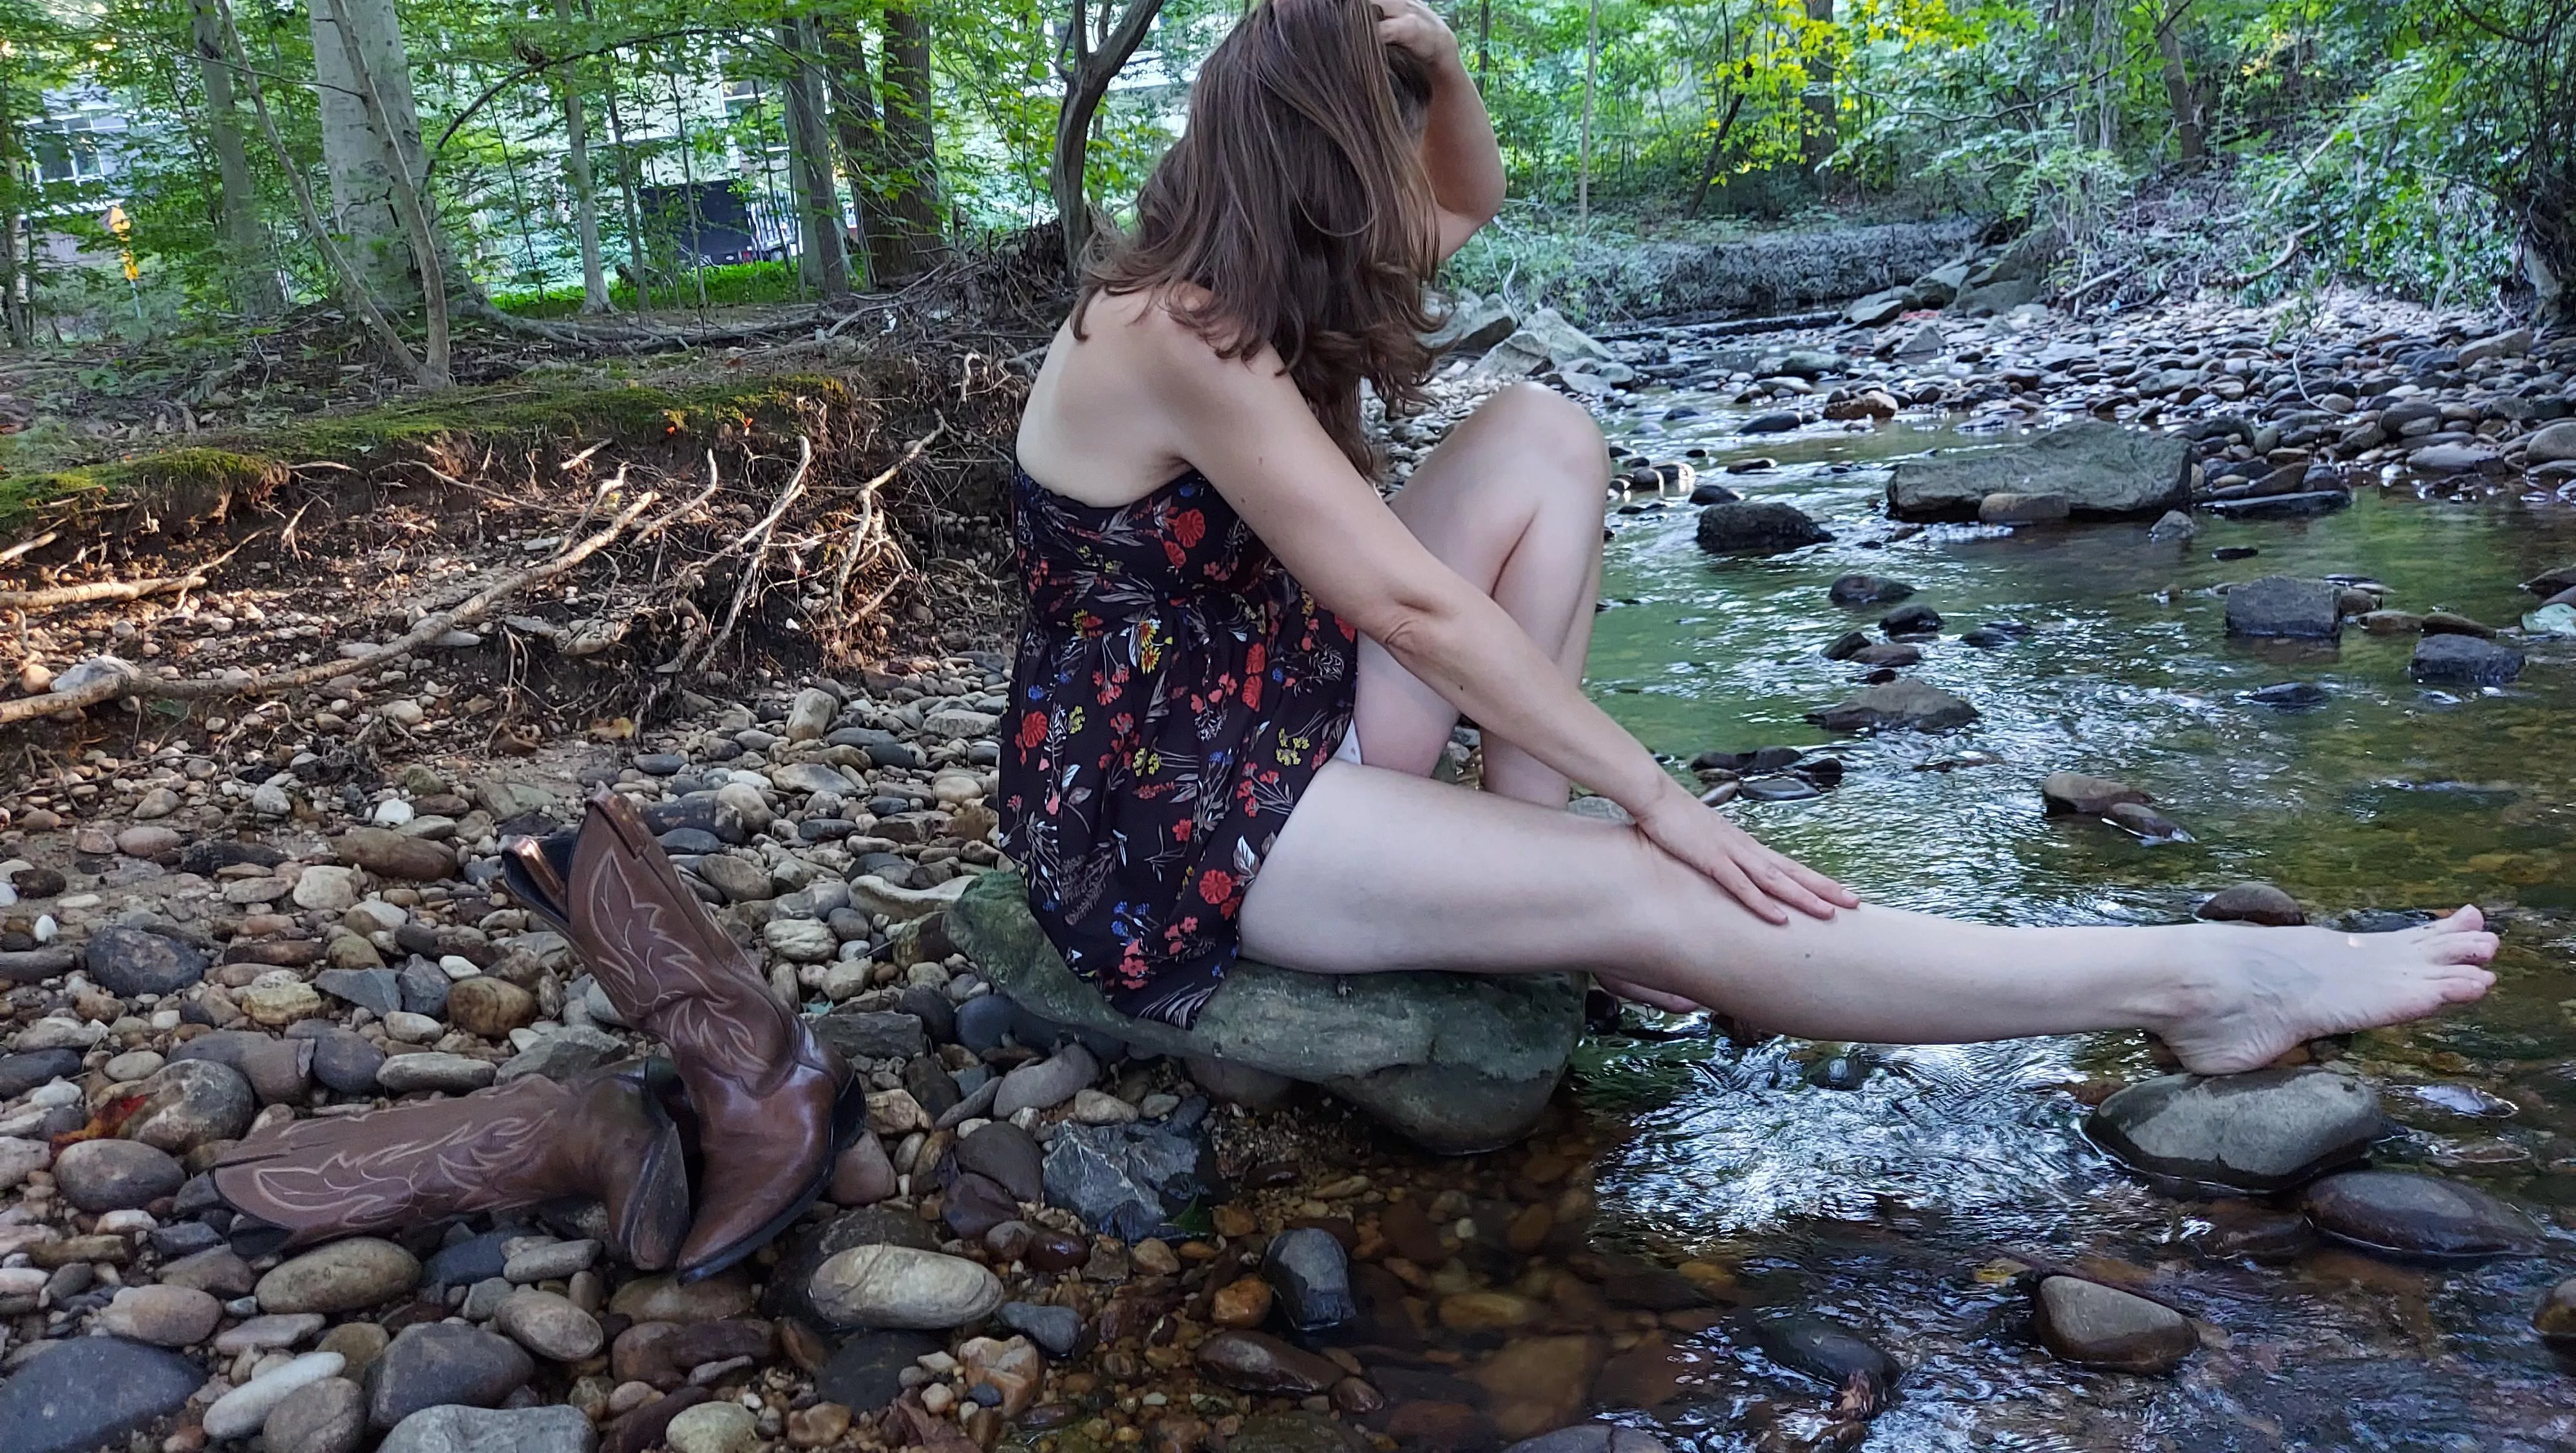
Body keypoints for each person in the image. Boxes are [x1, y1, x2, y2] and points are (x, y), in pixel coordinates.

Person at [1000, 0, 2499, 1072]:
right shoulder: (1170, 325)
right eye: (1381, 148)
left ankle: (1541, 881)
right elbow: (1410, 610)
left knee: (1540, 431)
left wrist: (1439, 56)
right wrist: (1657, 800)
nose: (1409, 193)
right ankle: (2196, 982)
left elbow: (1468, 194)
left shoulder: (1252, 277)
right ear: (1320, 168)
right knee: (1677, 886)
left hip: (1272, 711)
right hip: (1173, 812)